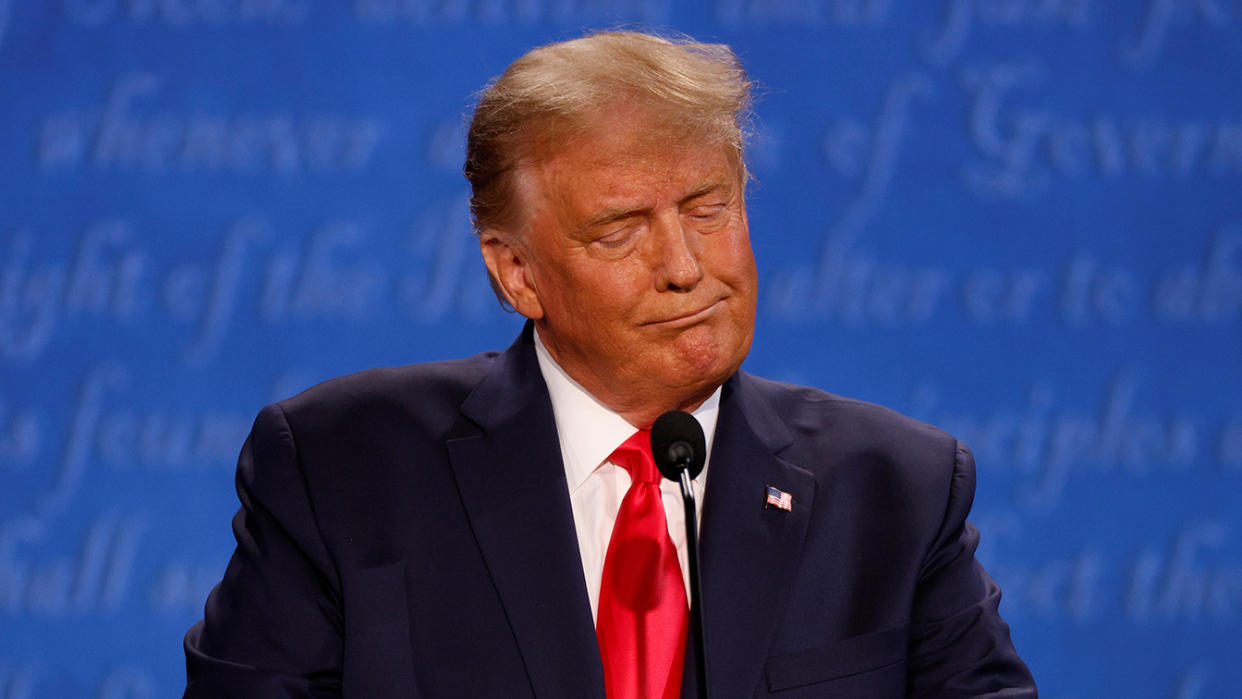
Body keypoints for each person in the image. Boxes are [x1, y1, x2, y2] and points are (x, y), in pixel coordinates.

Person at [183, 30, 1037, 698]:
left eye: (710, 208)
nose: (686, 265)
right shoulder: (340, 469)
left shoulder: (897, 488)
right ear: (518, 273)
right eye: (621, 230)